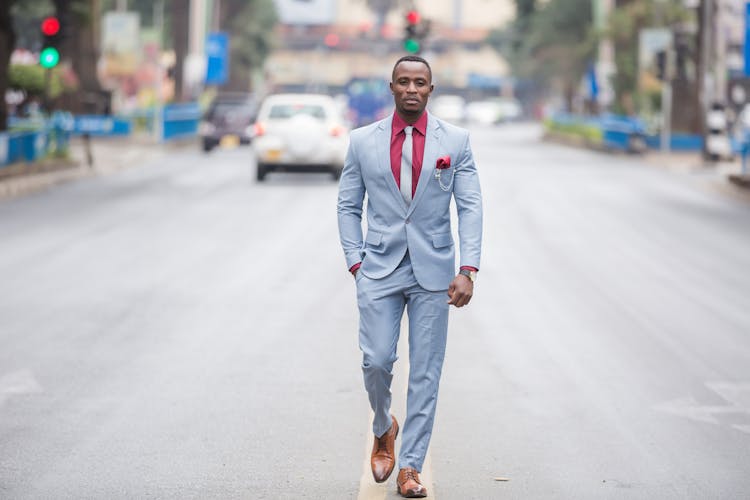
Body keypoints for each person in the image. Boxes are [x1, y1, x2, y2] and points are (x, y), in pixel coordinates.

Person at [337, 55, 483, 498]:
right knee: (376, 360)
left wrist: (468, 269)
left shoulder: (455, 141)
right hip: (378, 268)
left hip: (434, 271)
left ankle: (410, 467)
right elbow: (348, 205)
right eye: (404, 82)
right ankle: (384, 427)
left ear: (431, 89)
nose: (412, 89)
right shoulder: (364, 141)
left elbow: (470, 206)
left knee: (426, 371)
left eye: (421, 82)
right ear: (392, 88)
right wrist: (356, 263)